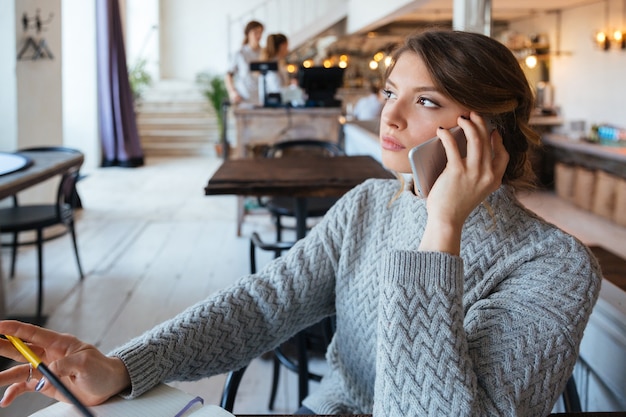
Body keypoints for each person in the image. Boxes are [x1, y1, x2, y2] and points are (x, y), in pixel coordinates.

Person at [0, 30, 601, 416]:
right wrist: (123, 365)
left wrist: (440, 232)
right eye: (391, 91)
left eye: (425, 101)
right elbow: (263, 304)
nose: (387, 114)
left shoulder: (555, 266)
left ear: (486, 131)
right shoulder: (369, 204)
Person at [225, 20, 264, 105]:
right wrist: (232, 92)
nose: (259, 36)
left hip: (262, 99)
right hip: (244, 98)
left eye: (260, 32)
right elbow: (229, 75)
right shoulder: (240, 54)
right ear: (248, 34)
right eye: (255, 32)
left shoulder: (264, 53)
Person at [258, 33, 289, 102]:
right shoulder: (271, 67)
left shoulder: (278, 64)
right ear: (282, 46)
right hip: (272, 108)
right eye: (287, 46)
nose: (288, 49)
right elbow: (277, 90)